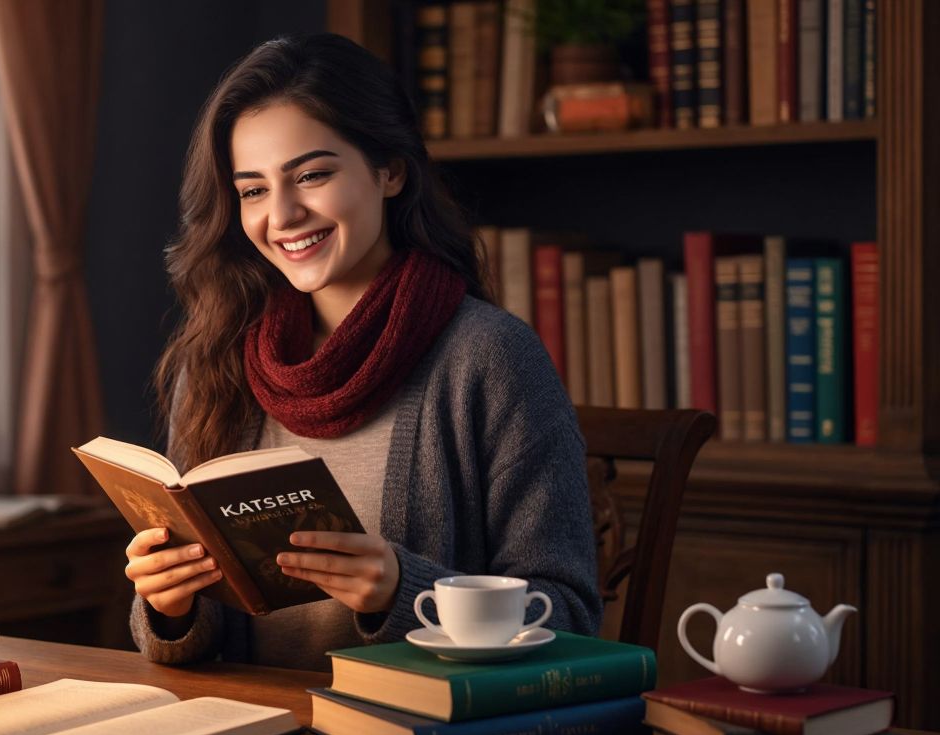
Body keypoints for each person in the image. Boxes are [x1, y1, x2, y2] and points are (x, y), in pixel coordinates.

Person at [122, 33, 601, 671]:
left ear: (390, 170)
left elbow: (569, 618)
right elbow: (188, 641)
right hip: (245, 731)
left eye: (313, 175)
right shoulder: (214, 359)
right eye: (254, 190)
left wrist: (402, 591)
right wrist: (167, 603)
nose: (284, 215)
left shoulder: (491, 358)